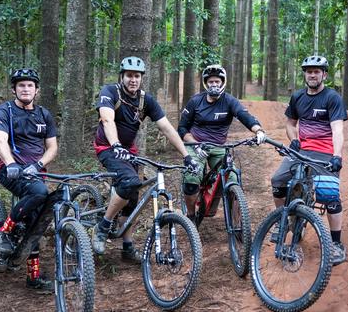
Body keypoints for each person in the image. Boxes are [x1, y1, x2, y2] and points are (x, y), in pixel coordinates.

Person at [91, 56, 200, 263]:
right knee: (130, 182)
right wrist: (115, 146)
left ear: (141, 79)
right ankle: (103, 225)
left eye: (137, 76)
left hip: (129, 150)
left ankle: (127, 247)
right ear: (122, 76)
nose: (133, 80)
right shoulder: (110, 92)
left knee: (132, 196)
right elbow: (107, 119)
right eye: (129, 76)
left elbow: (166, 127)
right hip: (107, 147)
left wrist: (187, 156)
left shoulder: (145, 100)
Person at [270, 55, 348, 266]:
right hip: (301, 151)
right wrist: (294, 139)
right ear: (304, 74)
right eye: (308, 71)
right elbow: (290, 123)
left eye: (316, 71)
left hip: (325, 154)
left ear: (324, 74)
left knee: (329, 195)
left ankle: (336, 243)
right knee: (278, 181)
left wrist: (337, 155)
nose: (312, 75)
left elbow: (337, 129)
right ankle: (283, 221)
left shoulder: (332, 98)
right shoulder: (298, 97)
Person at [0, 68, 58, 291]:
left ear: (36, 90)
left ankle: (33, 276)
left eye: (30, 85)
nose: (25, 89)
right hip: (9, 169)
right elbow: (0, 140)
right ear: (14, 89)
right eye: (21, 85)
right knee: (39, 193)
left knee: (36, 221)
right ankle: (4, 232)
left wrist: (37, 165)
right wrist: (11, 164)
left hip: (36, 172)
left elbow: (52, 147)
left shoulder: (44, 115)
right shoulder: (4, 111)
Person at [178, 64, 266, 222]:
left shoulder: (229, 101)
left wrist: (258, 130)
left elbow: (244, 115)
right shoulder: (195, 101)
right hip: (195, 146)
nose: (214, 85)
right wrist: (195, 144)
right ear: (206, 83)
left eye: (217, 81)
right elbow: (182, 128)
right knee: (191, 179)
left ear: (223, 82)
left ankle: (238, 222)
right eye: (211, 81)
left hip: (219, 147)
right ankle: (190, 217)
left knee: (232, 179)